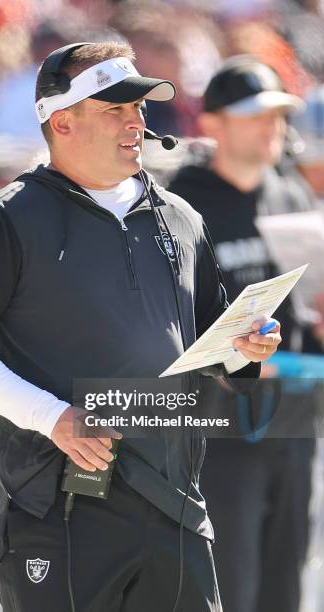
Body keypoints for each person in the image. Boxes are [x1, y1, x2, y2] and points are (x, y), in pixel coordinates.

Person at [0, 42, 281, 612]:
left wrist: (246, 348)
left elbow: (219, 358)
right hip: (60, 514)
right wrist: (54, 418)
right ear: (61, 120)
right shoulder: (6, 220)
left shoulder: (183, 219)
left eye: (139, 107)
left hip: (176, 510)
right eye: (114, 108)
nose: (137, 121)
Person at [169, 56, 317, 612]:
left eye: (279, 115)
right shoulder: (182, 206)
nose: (271, 127)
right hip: (217, 435)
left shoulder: (291, 195)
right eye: (256, 115)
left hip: (293, 426)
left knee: (285, 589)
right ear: (212, 124)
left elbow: (306, 316)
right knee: (227, 591)